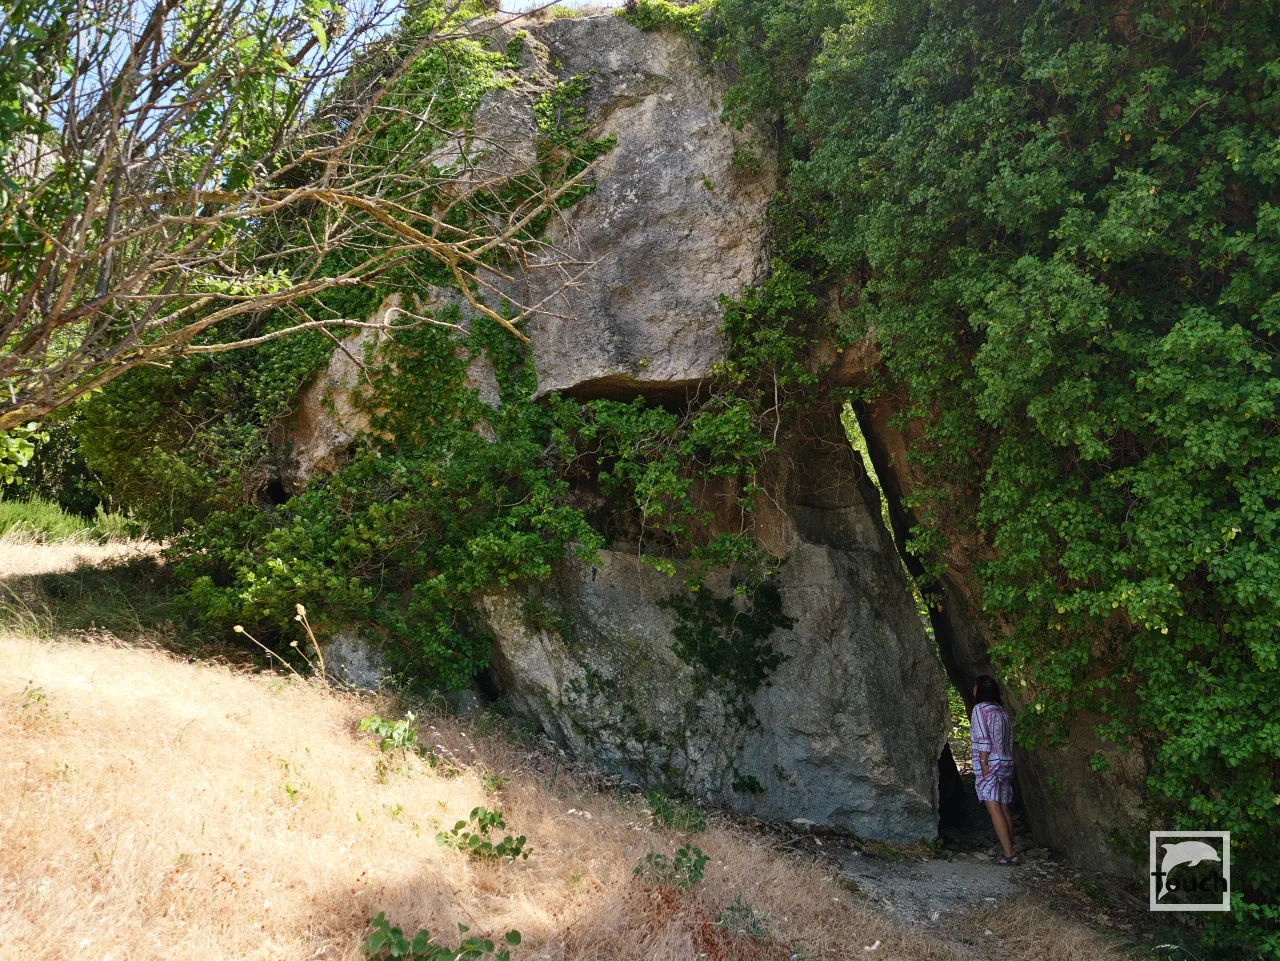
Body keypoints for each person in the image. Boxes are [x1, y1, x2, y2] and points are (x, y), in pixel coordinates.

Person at [971, 674, 1017, 865]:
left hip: (991, 763)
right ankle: (1010, 849)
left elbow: (983, 739)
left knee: (994, 808)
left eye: (975, 686)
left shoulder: (980, 709)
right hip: (1006, 762)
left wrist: (983, 764)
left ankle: (1009, 855)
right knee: (1004, 806)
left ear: (980, 690)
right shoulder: (1001, 711)